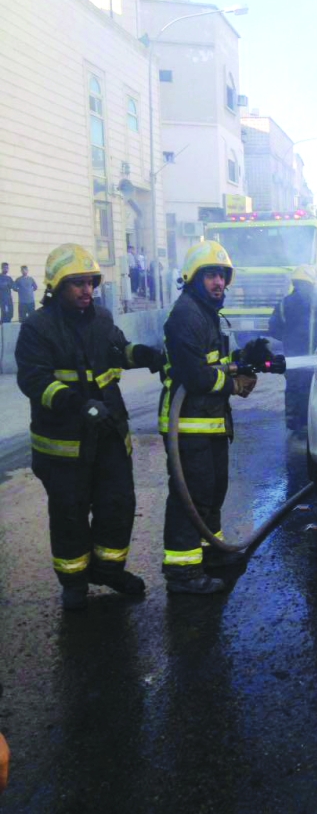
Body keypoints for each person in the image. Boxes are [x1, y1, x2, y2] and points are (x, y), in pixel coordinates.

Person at [15, 243, 164, 611]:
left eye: (90, 283)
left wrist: (140, 355)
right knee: (70, 511)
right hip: (64, 444)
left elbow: (117, 351)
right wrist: (78, 405)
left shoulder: (101, 318)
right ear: (56, 287)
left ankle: (109, 570)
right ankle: (74, 581)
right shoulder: (38, 327)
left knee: (118, 503)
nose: (86, 291)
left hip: (109, 433)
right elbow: (34, 380)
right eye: (77, 284)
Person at [159, 240, 268, 595]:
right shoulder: (185, 315)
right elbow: (195, 375)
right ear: (192, 279)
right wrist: (233, 384)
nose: (218, 282)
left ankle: (210, 554)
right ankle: (182, 573)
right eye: (209, 275)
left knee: (213, 489)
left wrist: (248, 355)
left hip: (209, 421)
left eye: (221, 275)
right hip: (187, 425)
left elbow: (218, 360)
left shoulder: (209, 314)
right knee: (191, 495)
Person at [269, 266, 317, 433]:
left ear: (295, 282)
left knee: (293, 387)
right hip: (315, 358)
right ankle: (308, 422)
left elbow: (273, 329)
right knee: (311, 389)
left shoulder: (284, 304)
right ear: (312, 282)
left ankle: (292, 421)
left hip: (292, 359)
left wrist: (288, 338)